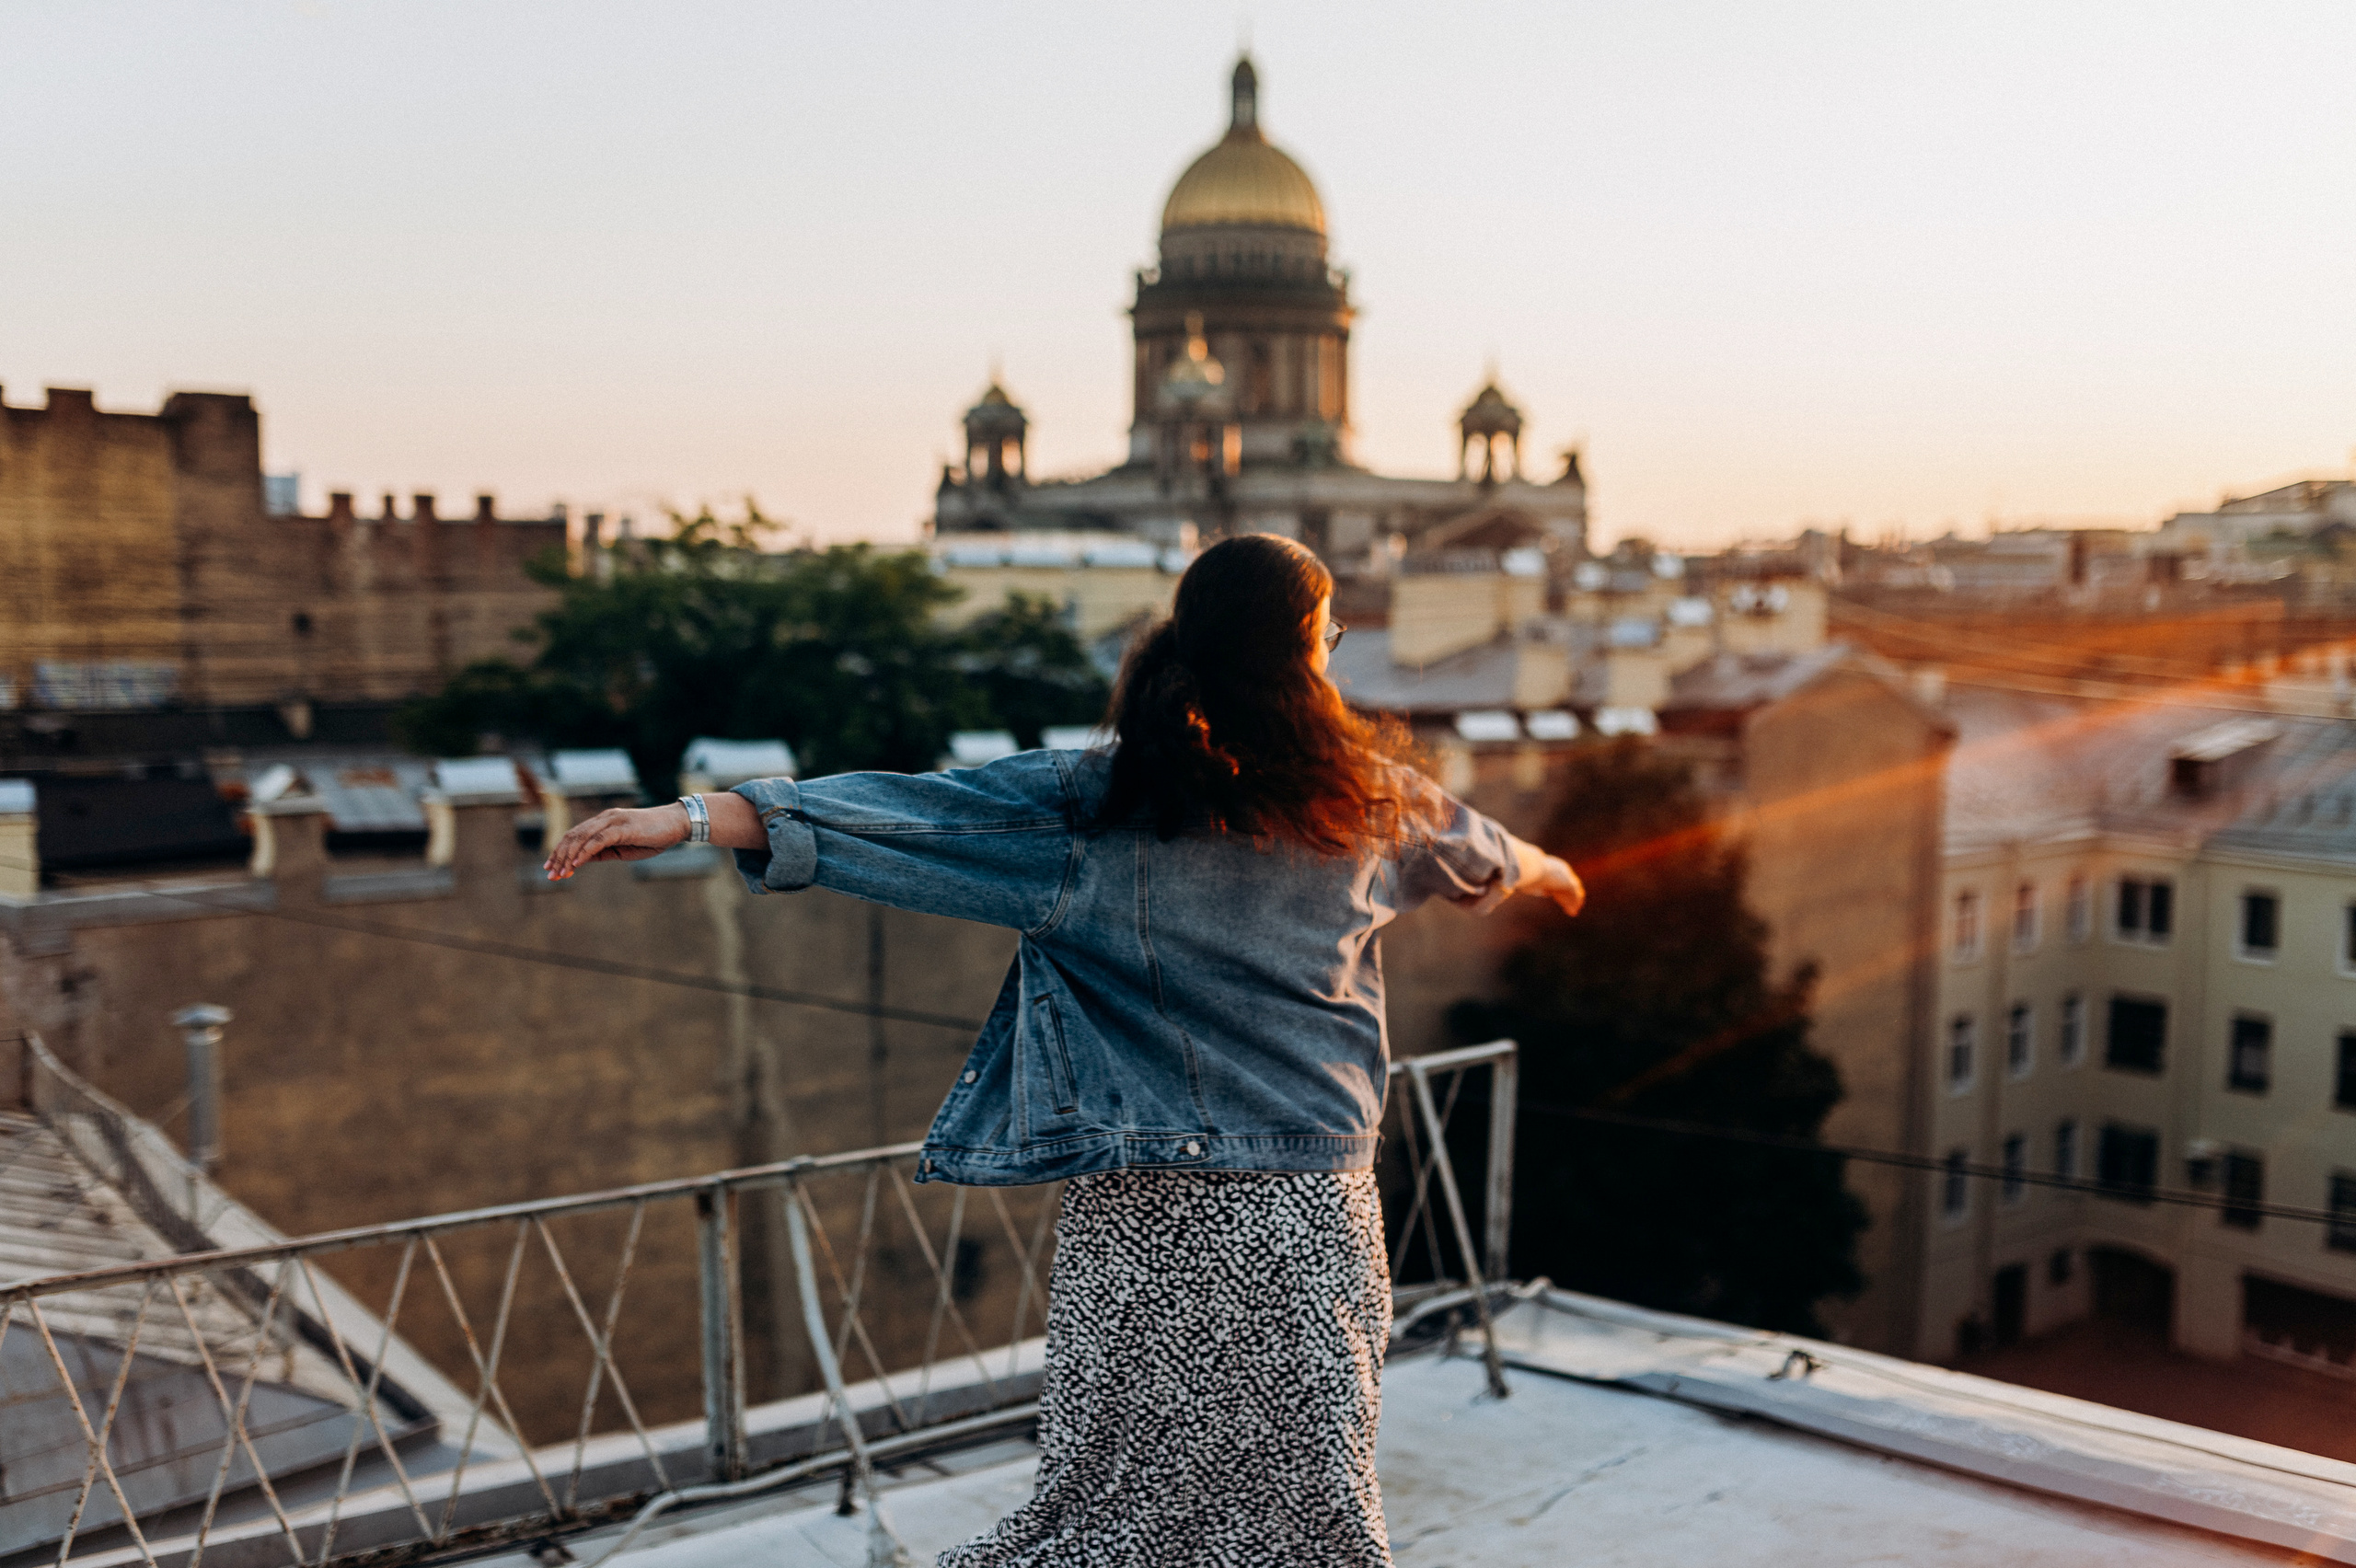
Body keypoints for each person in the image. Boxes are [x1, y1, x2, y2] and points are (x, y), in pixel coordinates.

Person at [543, 534, 1584, 1568]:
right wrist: (1556, 872)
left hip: (1136, 1208)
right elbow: (1484, 853)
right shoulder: (1369, 806)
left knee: (1114, 1509)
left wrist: (685, 818)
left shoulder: (1094, 803)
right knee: (1307, 1517)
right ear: (1311, 651)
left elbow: (906, 817)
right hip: (1304, 1212)